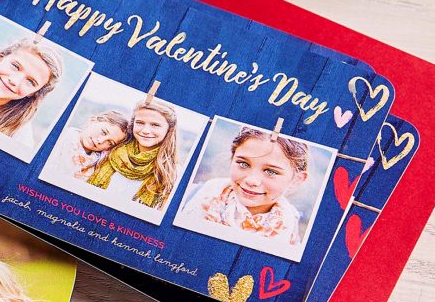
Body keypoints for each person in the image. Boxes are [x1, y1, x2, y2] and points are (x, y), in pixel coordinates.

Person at [180, 127, 309, 246]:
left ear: (296, 180)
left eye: (271, 172)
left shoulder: (290, 234)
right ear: (232, 159)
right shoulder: (188, 196)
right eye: (243, 164)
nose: (251, 181)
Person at [88, 100, 179, 209]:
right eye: (140, 123)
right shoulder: (111, 150)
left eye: (155, 125)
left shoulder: (172, 172)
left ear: (169, 130)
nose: (145, 130)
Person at [47, 110, 131, 180]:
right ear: (93, 120)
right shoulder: (62, 136)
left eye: (110, 143)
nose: (100, 141)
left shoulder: (99, 163)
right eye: (103, 132)